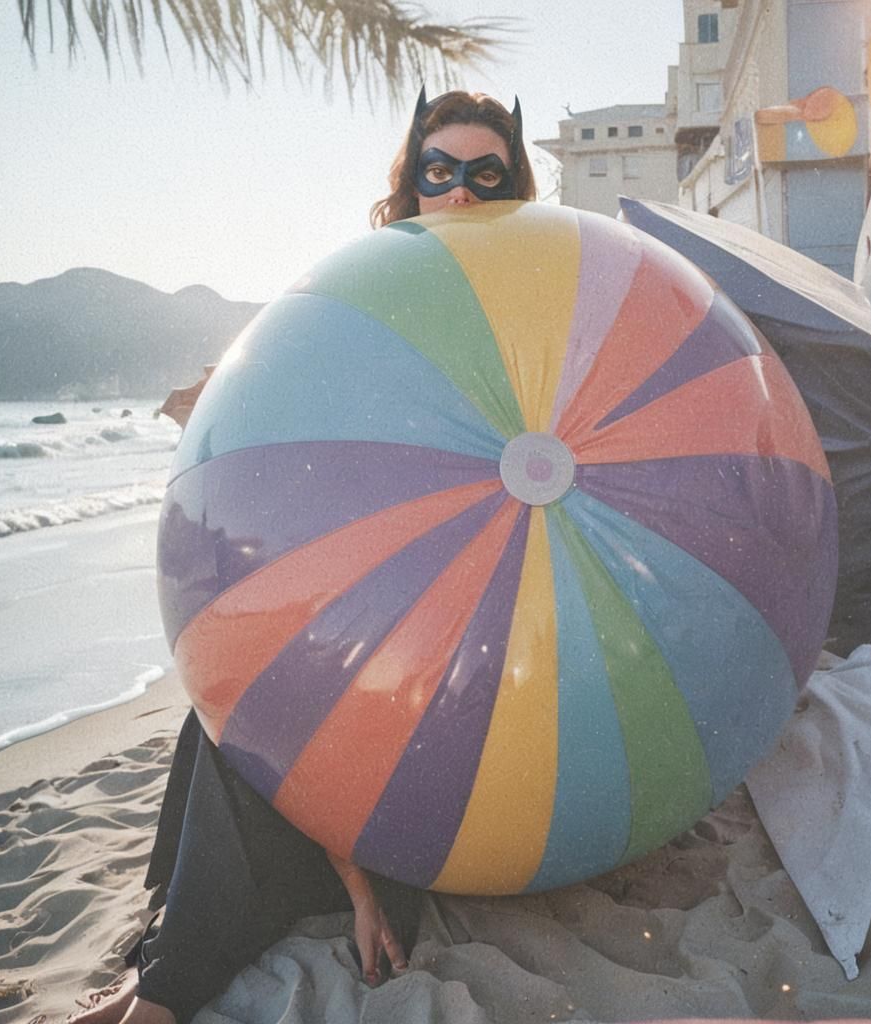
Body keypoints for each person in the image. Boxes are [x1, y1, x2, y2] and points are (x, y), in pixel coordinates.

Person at [73, 88, 536, 1024]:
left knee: (263, 722)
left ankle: (167, 988)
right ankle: (163, 974)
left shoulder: (537, 295)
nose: (456, 193)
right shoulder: (375, 299)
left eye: (483, 174)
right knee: (225, 709)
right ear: (410, 187)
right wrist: (221, 411)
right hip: (392, 590)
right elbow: (316, 416)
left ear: (514, 186)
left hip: (494, 623)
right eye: (437, 171)